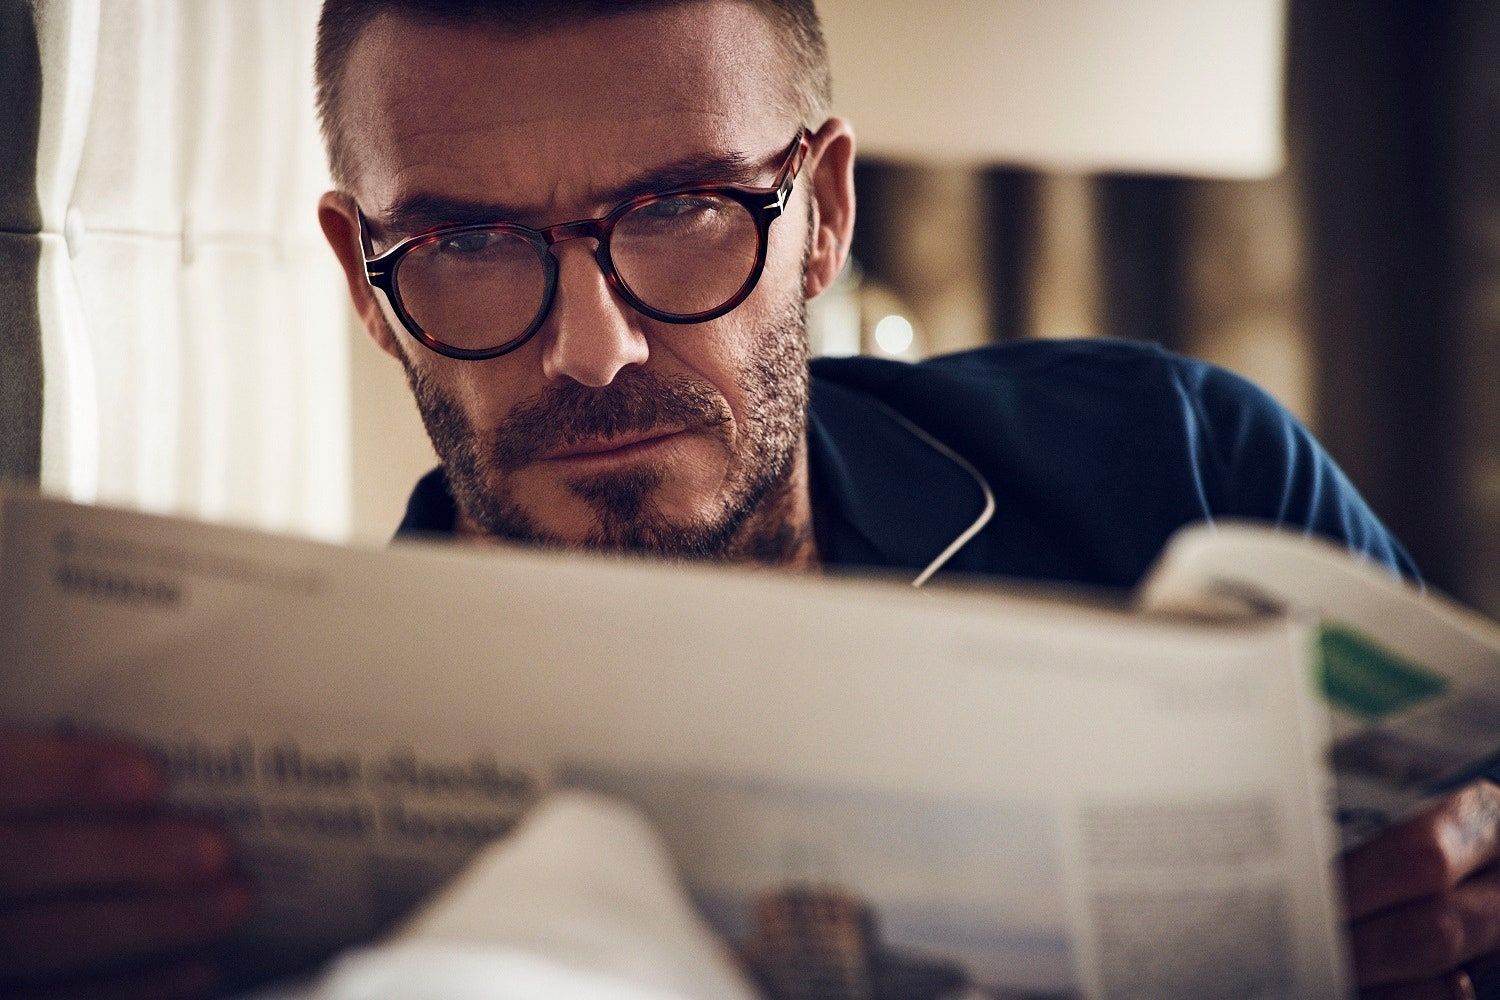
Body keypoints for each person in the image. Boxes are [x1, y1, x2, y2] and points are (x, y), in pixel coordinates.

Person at [0, 1, 1494, 997]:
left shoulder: (1181, 466)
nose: (593, 352)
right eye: (467, 247)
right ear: (363, 281)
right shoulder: (235, 756)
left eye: (681, 212)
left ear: (824, 213)